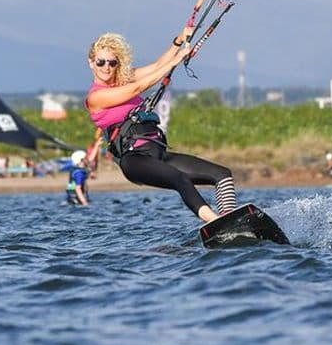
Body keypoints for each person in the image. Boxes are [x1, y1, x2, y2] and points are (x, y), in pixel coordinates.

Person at [84, 29, 236, 222]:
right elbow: (138, 87)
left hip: (158, 153)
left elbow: (157, 66)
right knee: (180, 178)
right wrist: (175, 61)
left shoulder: (123, 80)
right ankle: (214, 221)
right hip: (134, 159)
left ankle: (231, 218)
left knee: (222, 174)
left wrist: (178, 41)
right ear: (91, 63)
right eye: (101, 62)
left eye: (112, 63)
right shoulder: (95, 97)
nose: (106, 67)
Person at [66, 138, 102, 206]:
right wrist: (84, 203)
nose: (87, 158)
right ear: (81, 160)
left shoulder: (81, 167)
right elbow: (78, 189)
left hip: (76, 198)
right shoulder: (78, 173)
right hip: (75, 201)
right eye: (85, 157)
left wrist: (97, 145)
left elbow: (90, 159)